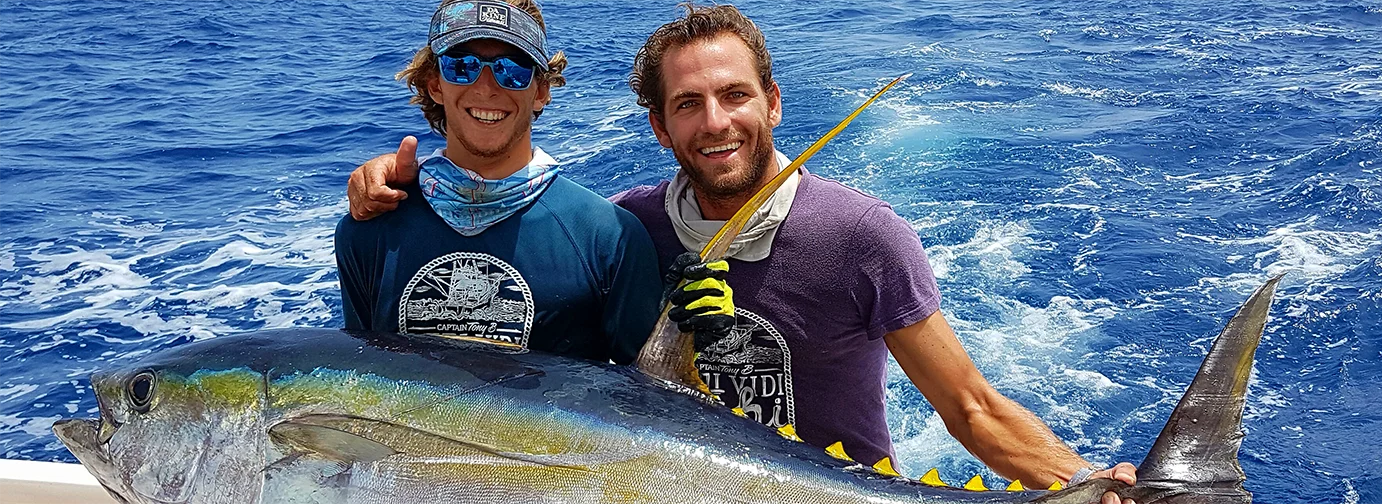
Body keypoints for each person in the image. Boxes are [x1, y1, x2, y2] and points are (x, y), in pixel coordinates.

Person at [346, 4, 1137, 501]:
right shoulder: (627, 227)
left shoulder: (864, 236)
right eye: (688, 104)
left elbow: (971, 407)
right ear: (660, 128)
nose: (715, 122)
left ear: (773, 103)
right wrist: (394, 183)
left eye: (734, 96)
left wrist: (1088, 483)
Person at [335, 0, 663, 366]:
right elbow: (359, 374)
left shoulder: (610, 238)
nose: (487, 88)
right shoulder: (367, 231)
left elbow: (648, 389)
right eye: (462, 66)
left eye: (512, 69)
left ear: (541, 91)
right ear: (435, 84)